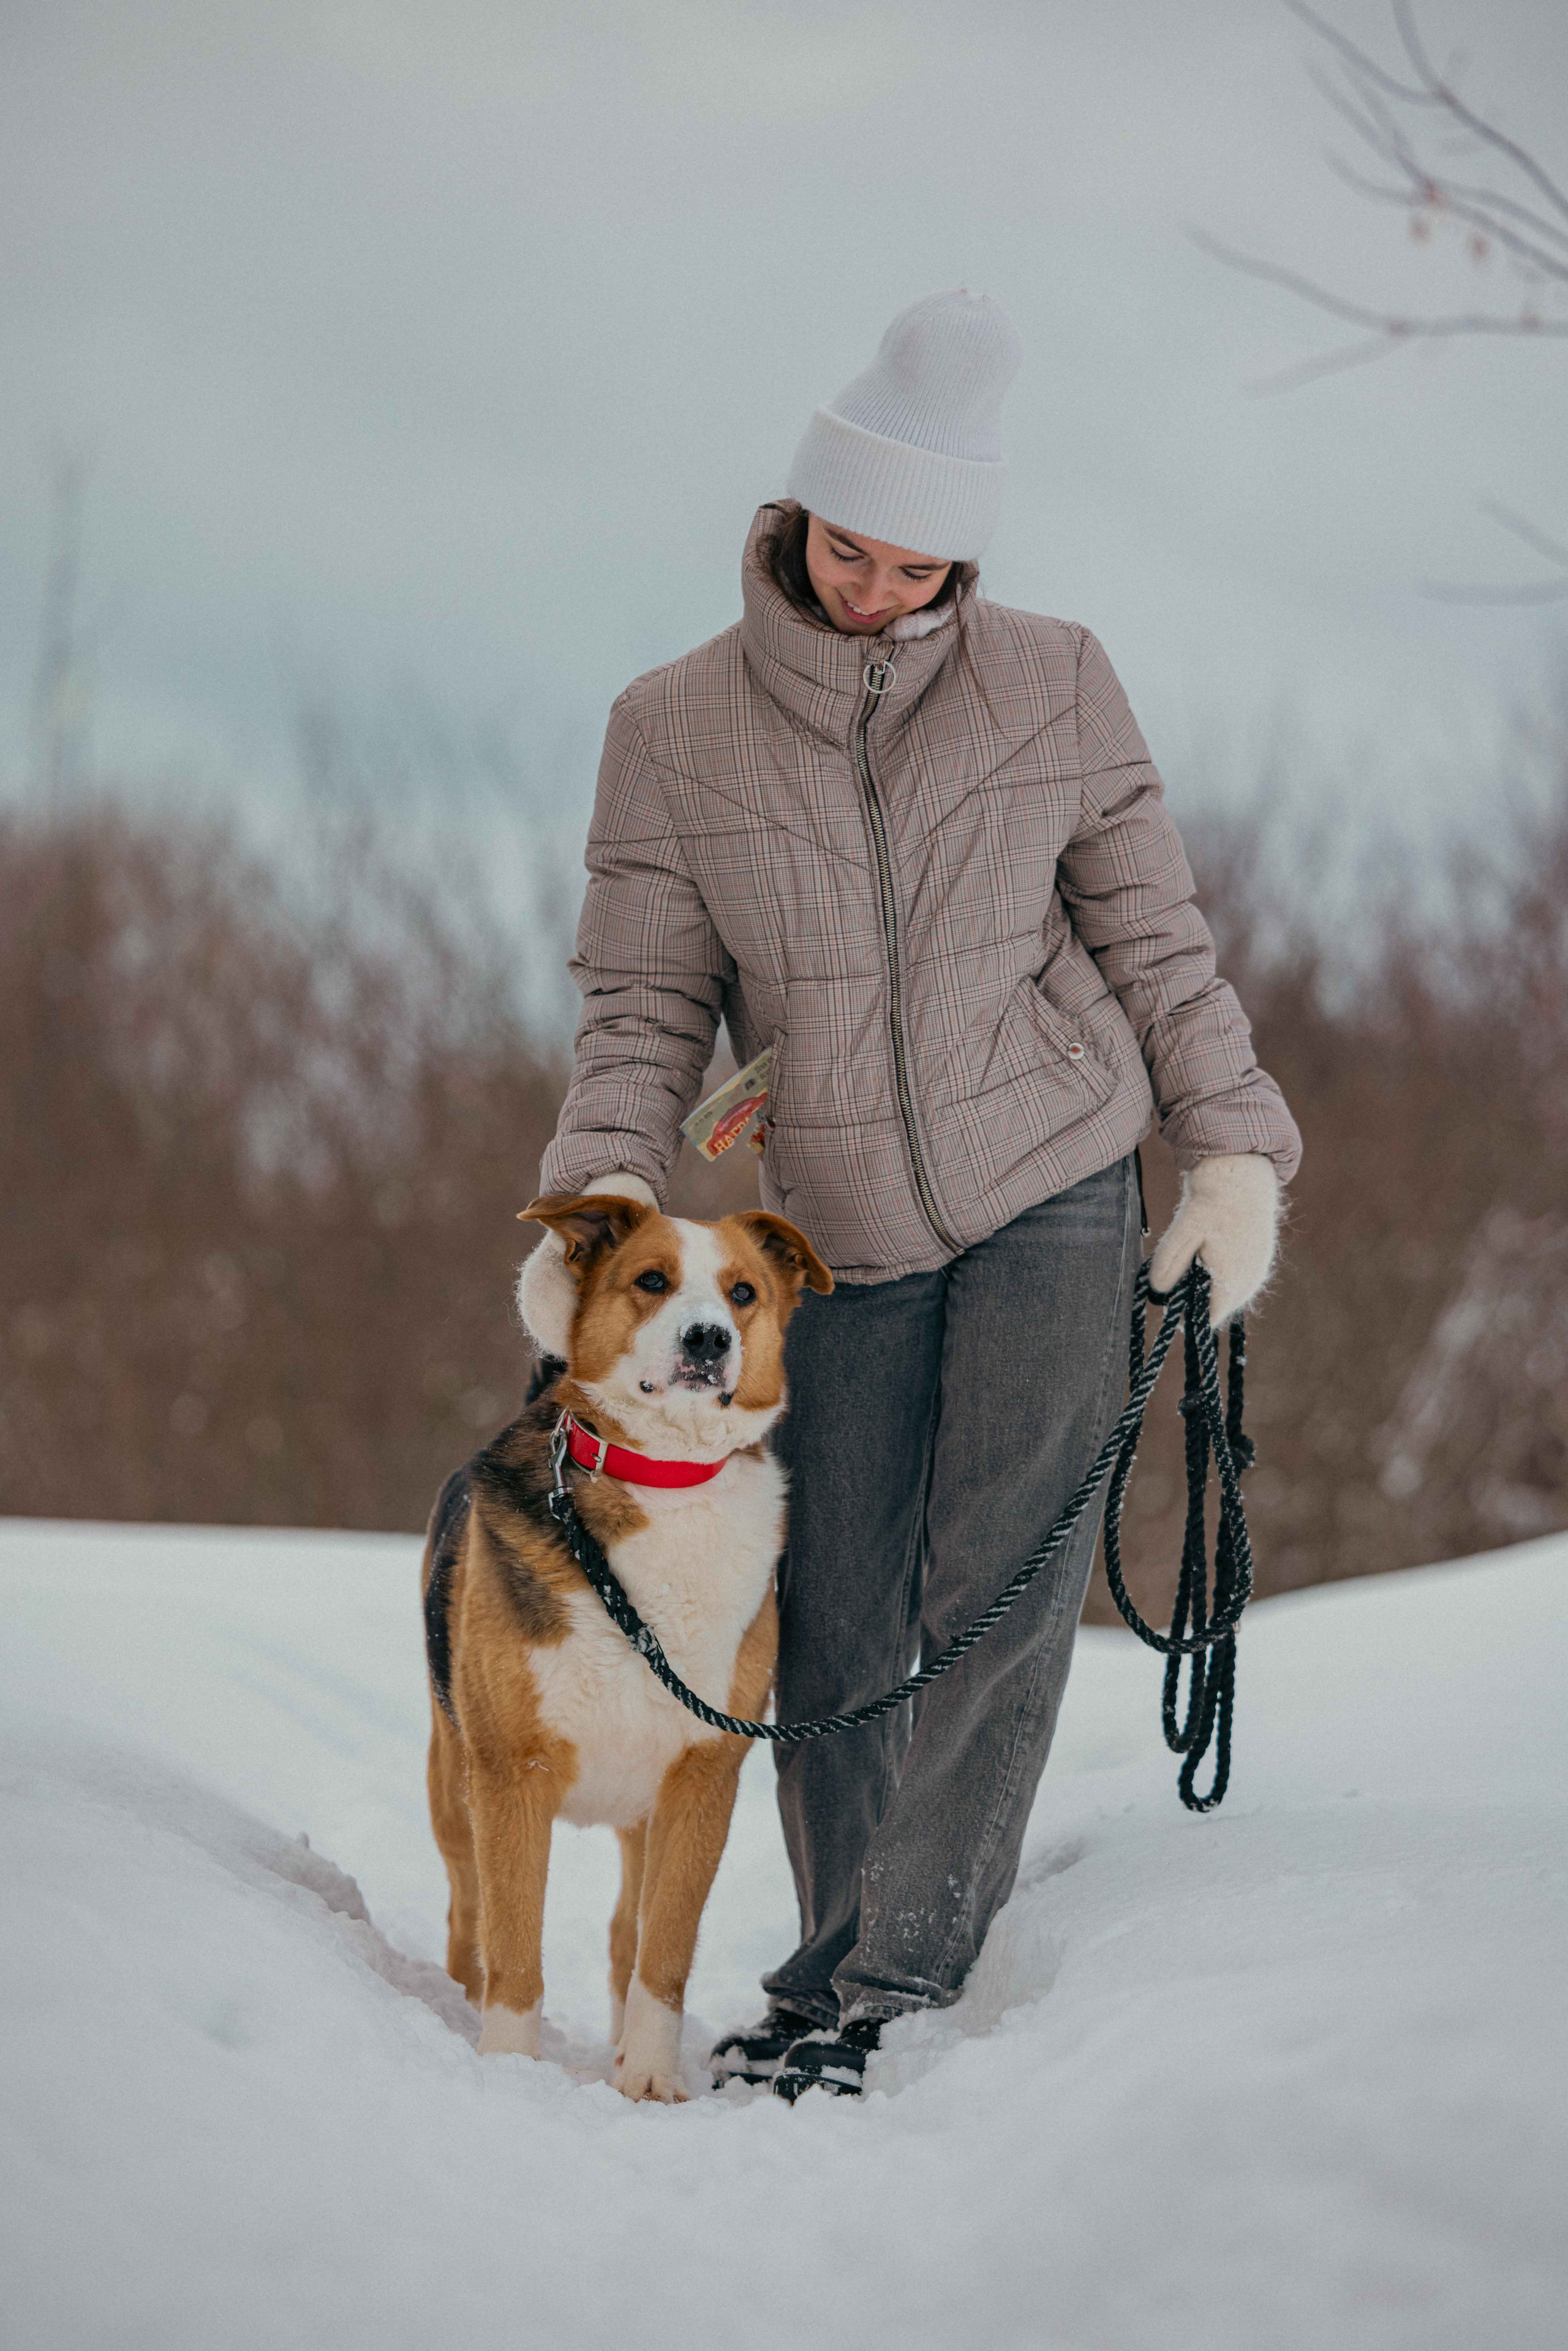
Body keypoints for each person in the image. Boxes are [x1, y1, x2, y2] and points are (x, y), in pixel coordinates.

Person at [527, 288, 1301, 2101]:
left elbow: (1155, 940)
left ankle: (897, 1983)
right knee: (841, 1595)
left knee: (997, 1582)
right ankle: (831, 1959)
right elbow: (642, 1011)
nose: (874, 592)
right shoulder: (674, 729)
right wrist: (603, 1199)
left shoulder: (1059, 679)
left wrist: (1236, 1146)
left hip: (1051, 1172)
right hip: (835, 1223)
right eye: (848, 550)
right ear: (796, 518)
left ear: (970, 560)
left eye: (918, 568)